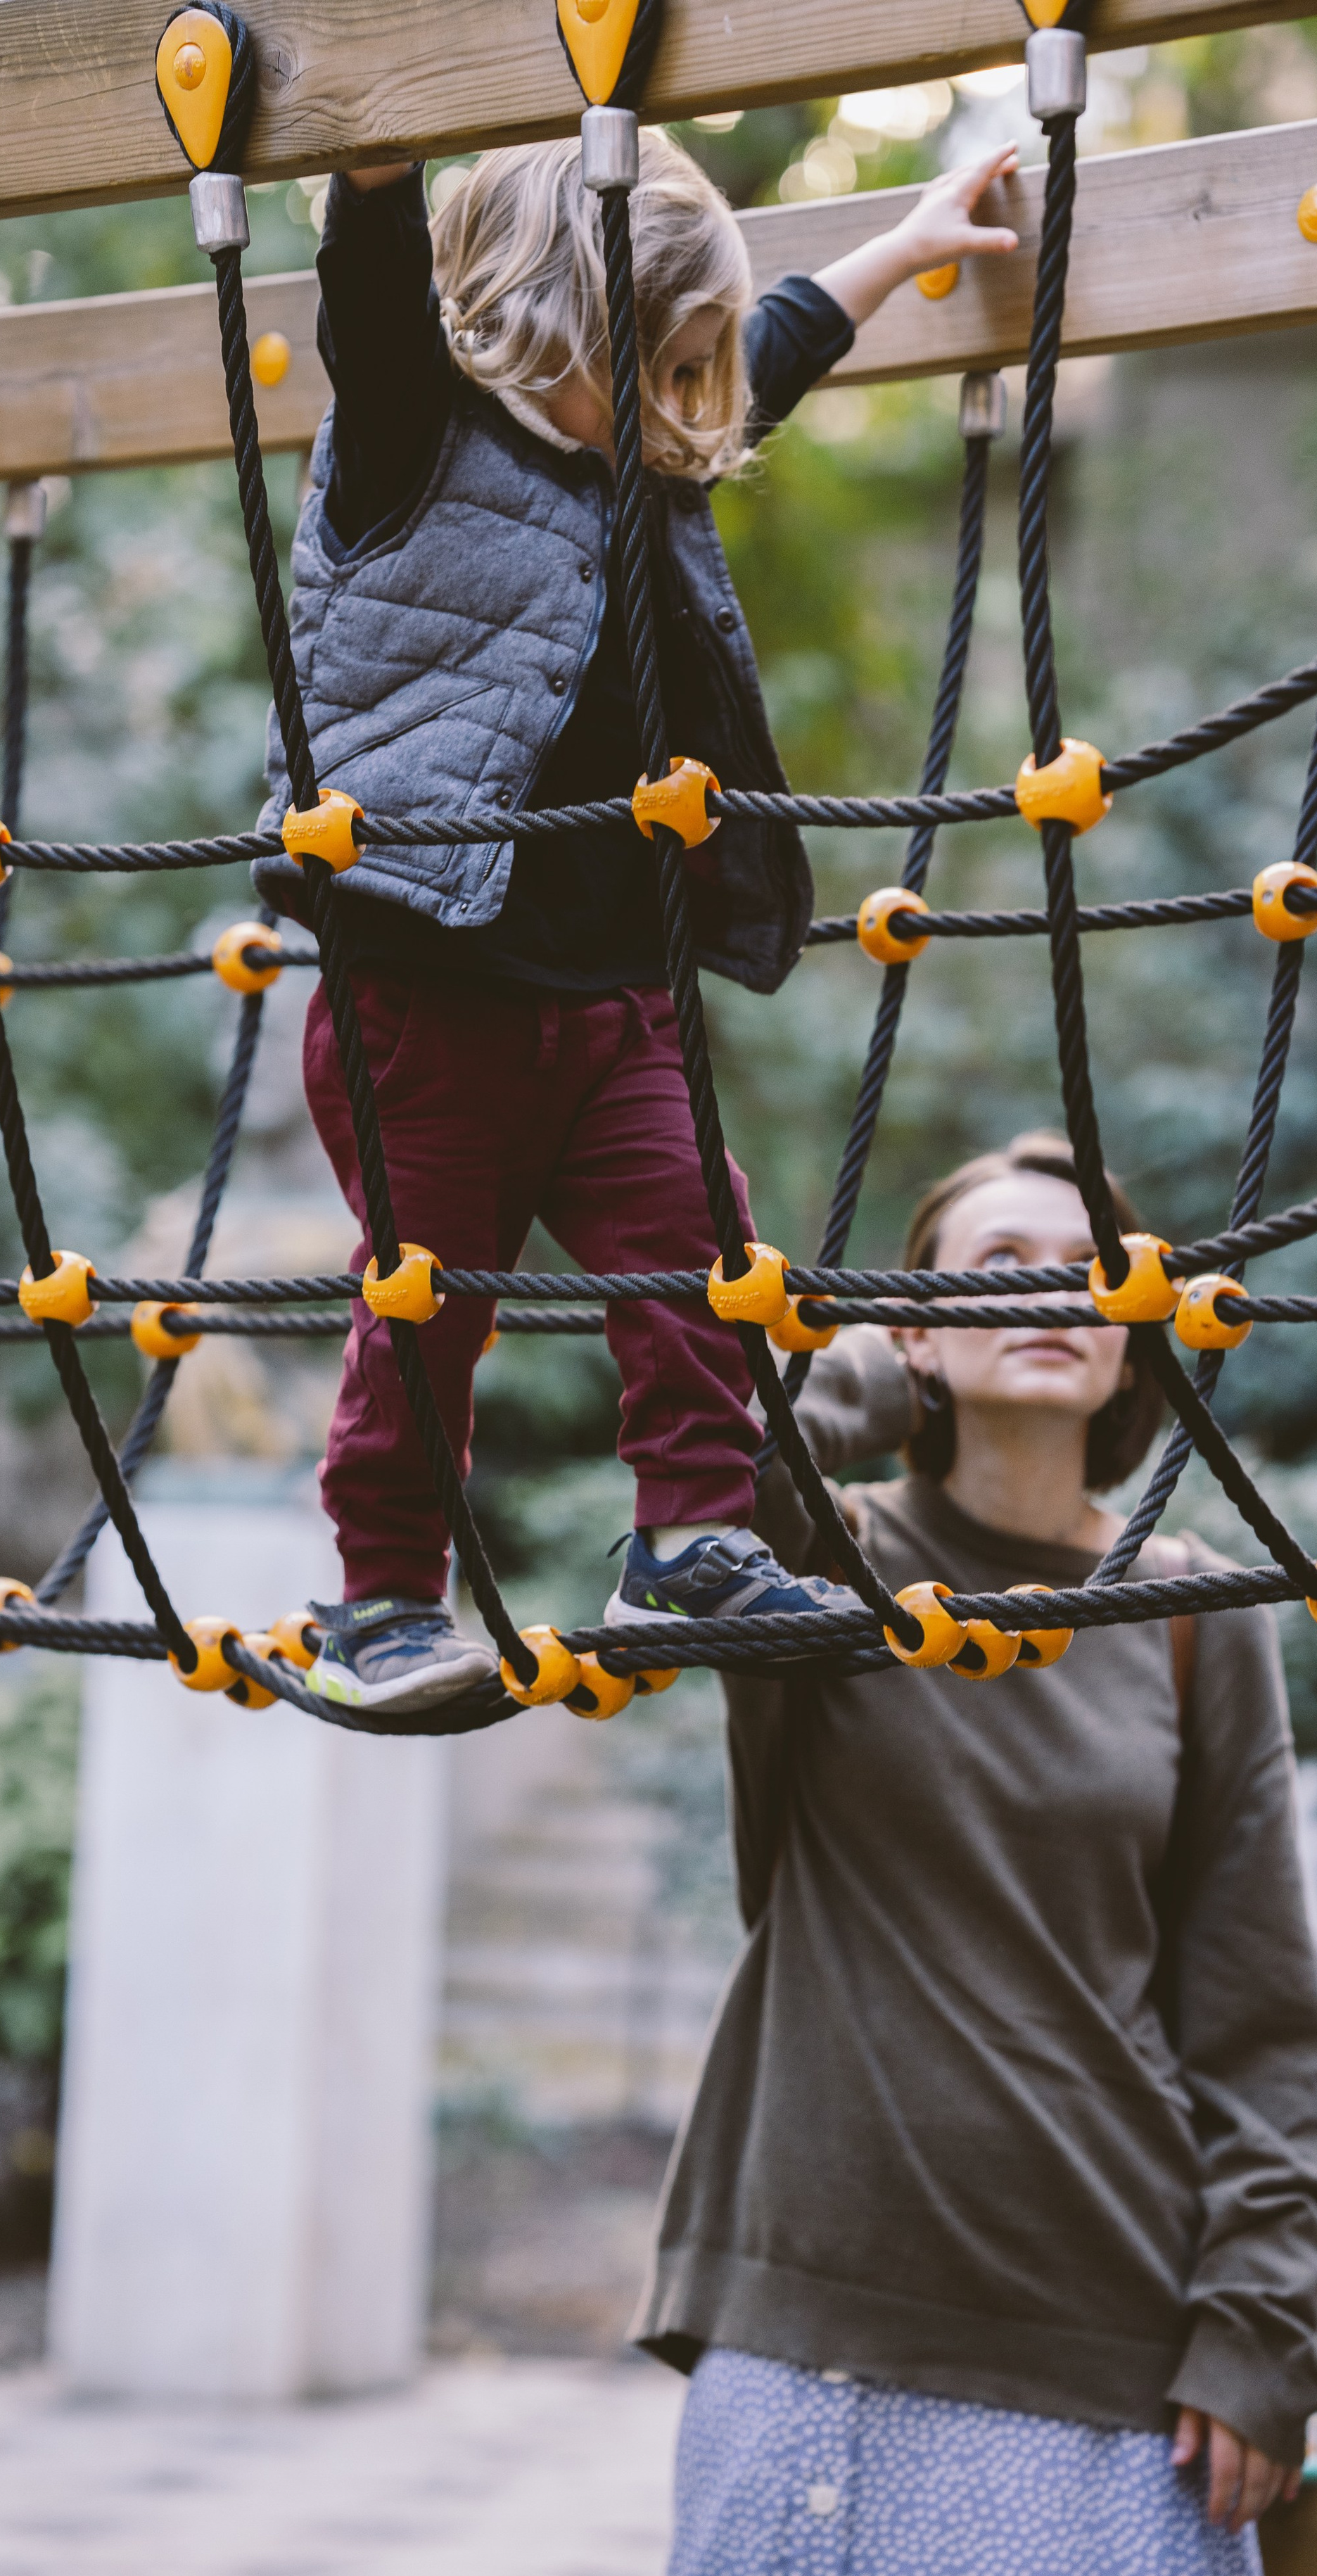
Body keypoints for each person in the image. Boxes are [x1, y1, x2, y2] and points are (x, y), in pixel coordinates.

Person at [250, 132, 1023, 1712]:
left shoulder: (650, 450)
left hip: (614, 1001)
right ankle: (381, 1596)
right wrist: (380, 156)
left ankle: (688, 1538)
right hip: (423, 988)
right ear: (559, 325)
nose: (697, 403)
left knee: (699, 1257)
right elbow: (370, 300)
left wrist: (908, 244)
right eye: (669, 365)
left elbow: (775, 346)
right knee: (426, 1306)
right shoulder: (410, 436)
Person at [634, 1132, 1317, 2576]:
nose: (1052, 1287)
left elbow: (1263, 2022)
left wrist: (1255, 2324)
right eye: (992, 1264)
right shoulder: (811, 1567)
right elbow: (719, 1477)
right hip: (817, 2313)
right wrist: (860, 1379)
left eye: (1088, 1261)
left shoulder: (1187, 1610)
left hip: (1111, 2333)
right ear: (909, 1326)